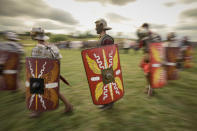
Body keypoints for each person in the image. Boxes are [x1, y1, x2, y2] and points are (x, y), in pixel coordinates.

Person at [29, 27, 73, 117]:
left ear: (36, 37)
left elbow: (35, 65)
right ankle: (68, 106)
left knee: (37, 88)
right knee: (53, 89)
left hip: (42, 74)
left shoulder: (36, 49)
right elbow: (59, 59)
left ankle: (38, 110)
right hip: (53, 72)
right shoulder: (53, 47)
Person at [95, 18, 114, 109]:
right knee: (103, 84)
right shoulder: (100, 38)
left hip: (107, 66)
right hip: (101, 64)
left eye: (96, 26)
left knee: (108, 83)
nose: (95, 29)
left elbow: (109, 54)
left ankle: (110, 103)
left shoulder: (108, 39)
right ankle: (106, 102)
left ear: (101, 27)